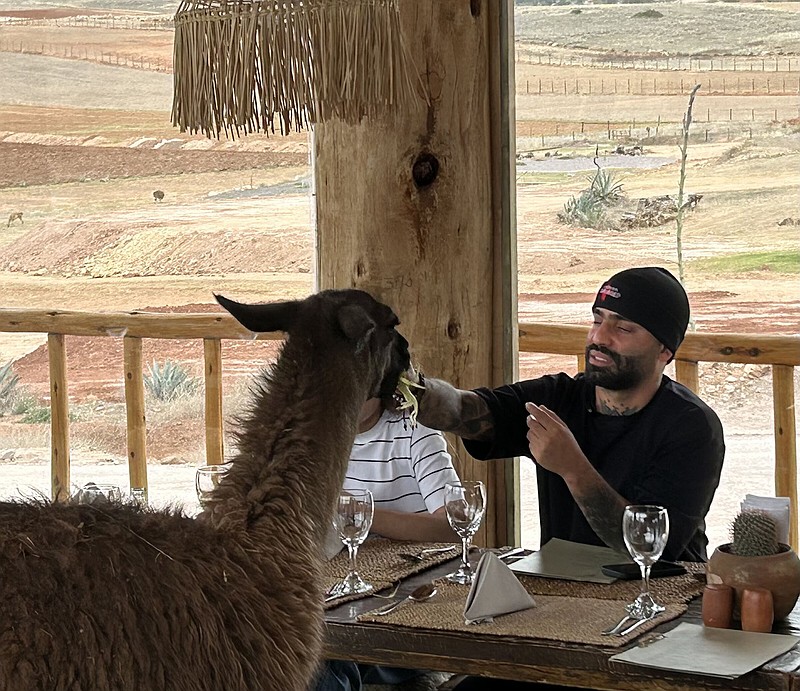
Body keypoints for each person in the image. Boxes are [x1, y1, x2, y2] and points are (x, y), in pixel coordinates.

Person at [414, 267, 725, 564]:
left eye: (623, 327)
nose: (600, 338)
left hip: (665, 594)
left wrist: (572, 468)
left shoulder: (691, 426)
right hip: (564, 588)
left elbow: (650, 548)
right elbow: (468, 411)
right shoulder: (557, 398)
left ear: (664, 351)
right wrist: (412, 389)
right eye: (597, 320)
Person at [313, 396, 461, 691]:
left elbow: (453, 526)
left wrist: (361, 514)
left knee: (322, 658)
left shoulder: (414, 429)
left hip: (410, 603)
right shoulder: (320, 435)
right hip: (343, 598)